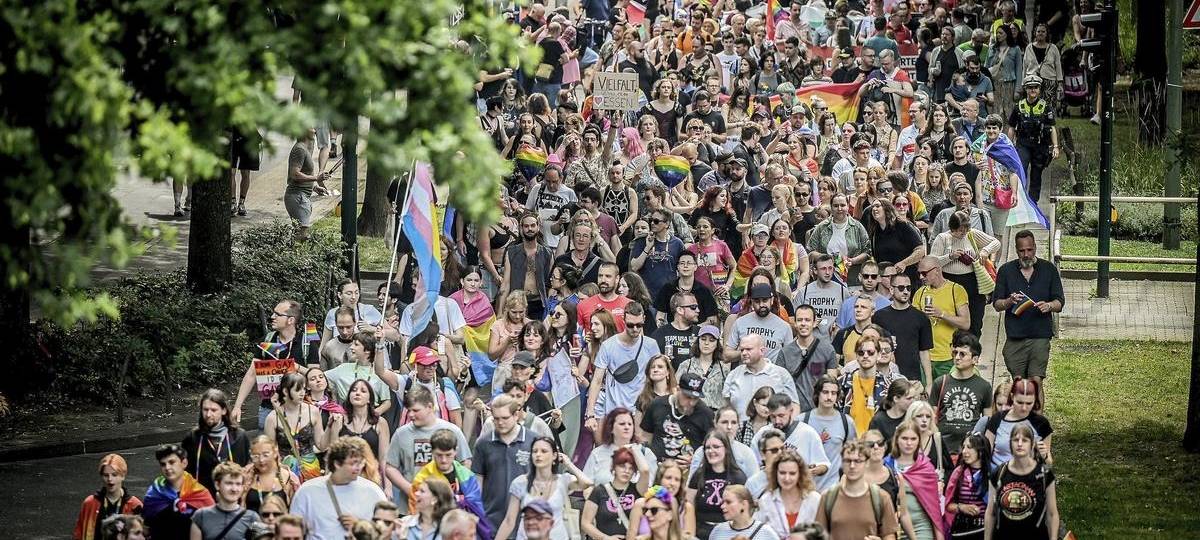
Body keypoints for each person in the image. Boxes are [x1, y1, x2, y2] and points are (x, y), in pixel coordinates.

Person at [993, 231, 1064, 390]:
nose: (1026, 254)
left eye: (1030, 250)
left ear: (1035, 248)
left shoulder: (1048, 269)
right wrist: (1009, 302)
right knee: (1019, 384)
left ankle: (1037, 415)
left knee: (1036, 382)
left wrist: (1049, 306)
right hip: (1015, 337)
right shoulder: (1006, 271)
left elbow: (1059, 302)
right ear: (1016, 250)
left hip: (1040, 335)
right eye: (1022, 251)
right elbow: (997, 304)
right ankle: (1021, 413)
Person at [234, 299, 321, 428]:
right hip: (268, 409)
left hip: (298, 410)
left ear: (291, 320)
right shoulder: (267, 341)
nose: (272, 317)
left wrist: (296, 367)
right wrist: (237, 406)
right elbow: (251, 375)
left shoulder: (307, 344)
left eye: (277, 314)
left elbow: (315, 377)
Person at [386, 385, 473, 510]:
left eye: (416, 410)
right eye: (409, 410)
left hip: (446, 505)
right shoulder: (401, 434)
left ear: (430, 407)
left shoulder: (452, 430)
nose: (410, 415)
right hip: (410, 506)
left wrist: (458, 490)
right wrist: (408, 488)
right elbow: (390, 467)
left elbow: (465, 462)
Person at [492, 436, 593, 540]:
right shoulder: (521, 482)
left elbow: (587, 483)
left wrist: (568, 463)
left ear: (554, 455)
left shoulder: (562, 480)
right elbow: (509, 520)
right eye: (535, 451)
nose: (538, 455)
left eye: (544, 451)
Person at [291, 436, 388, 539]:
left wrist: (360, 526)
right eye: (353, 463)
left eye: (360, 463)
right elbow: (293, 530)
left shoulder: (372, 491)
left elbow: (387, 529)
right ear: (337, 463)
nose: (359, 468)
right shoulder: (307, 491)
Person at [472, 393, 539, 535]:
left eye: (505, 418)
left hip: (526, 522)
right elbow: (478, 483)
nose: (500, 423)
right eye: (496, 419)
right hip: (492, 521)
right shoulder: (483, 443)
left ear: (516, 415)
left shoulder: (534, 440)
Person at [586, 302, 660, 427]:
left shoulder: (651, 345)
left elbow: (659, 380)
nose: (635, 329)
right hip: (614, 411)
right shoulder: (608, 346)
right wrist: (590, 414)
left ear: (644, 320)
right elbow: (597, 381)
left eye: (639, 325)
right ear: (623, 320)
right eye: (631, 325)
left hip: (641, 410)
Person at [929, 211, 1000, 337]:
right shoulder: (943, 238)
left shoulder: (971, 234)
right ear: (952, 227)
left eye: (965, 229)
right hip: (949, 280)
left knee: (975, 321)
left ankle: (972, 350)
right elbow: (933, 262)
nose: (963, 233)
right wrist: (950, 256)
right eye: (960, 230)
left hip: (972, 282)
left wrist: (985, 251)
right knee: (953, 319)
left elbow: (995, 243)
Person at [984, 425, 1059, 540]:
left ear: (1032, 444)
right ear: (1010, 444)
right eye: (1015, 440)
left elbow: (1052, 514)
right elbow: (991, 513)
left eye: (1024, 440)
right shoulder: (998, 474)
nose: (1019, 444)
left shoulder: (1044, 475)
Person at [815, 440, 899, 540]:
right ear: (841, 463)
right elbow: (818, 536)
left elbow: (889, 535)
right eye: (847, 461)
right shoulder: (828, 497)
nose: (852, 466)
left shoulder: (881, 498)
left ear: (867, 463)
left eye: (858, 461)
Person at [928, 332, 992, 454]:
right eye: (955, 353)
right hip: (943, 449)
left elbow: (987, 422)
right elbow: (931, 418)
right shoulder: (940, 382)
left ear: (975, 359)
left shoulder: (984, 386)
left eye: (962, 354)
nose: (957, 357)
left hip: (971, 450)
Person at [181, 388, 251, 496]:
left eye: (213, 410)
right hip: (202, 500)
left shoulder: (239, 437)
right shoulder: (193, 438)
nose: (208, 414)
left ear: (223, 410)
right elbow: (185, 473)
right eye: (205, 409)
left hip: (233, 499)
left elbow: (247, 469)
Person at [913, 258, 970, 383]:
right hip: (924, 356)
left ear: (937, 270)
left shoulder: (956, 290)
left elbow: (966, 323)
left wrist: (942, 314)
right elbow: (913, 325)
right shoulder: (919, 293)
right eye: (919, 273)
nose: (921, 277)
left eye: (924, 273)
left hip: (948, 357)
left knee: (945, 397)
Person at [263, 373, 328, 483]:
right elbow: (270, 452)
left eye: (303, 389)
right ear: (285, 391)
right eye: (298, 390)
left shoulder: (312, 411)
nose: (302, 393)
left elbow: (321, 445)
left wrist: (332, 427)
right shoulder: (272, 418)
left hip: (311, 469)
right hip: (285, 472)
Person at [641, 373, 715, 466]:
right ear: (677, 389)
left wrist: (698, 459)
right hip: (657, 466)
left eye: (695, 398)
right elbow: (646, 437)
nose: (691, 403)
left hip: (687, 469)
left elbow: (712, 445)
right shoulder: (657, 404)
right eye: (687, 397)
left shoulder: (705, 413)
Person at [886, 421, 943, 540]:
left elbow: (934, 507)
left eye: (913, 439)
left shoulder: (926, 468)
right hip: (890, 528)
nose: (909, 443)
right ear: (897, 439)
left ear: (918, 441)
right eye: (904, 438)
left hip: (921, 528)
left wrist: (939, 536)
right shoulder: (886, 465)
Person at [144, 444, 215, 538]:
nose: (167, 468)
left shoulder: (200, 493)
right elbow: (146, 527)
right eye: (163, 464)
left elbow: (213, 527)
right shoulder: (154, 494)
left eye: (172, 462)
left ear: (184, 463)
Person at [723, 333, 800, 419]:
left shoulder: (781, 374)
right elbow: (726, 407)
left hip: (773, 430)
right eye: (742, 350)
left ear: (762, 351)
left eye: (748, 349)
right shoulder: (733, 375)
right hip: (740, 430)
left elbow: (794, 406)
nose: (744, 353)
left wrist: (790, 429)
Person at [581, 447, 651, 540]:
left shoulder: (637, 489)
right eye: (622, 466)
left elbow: (645, 471)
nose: (626, 471)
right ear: (614, 467)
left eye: (631, 468)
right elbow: (585, 523)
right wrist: (605, 538)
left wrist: (634, 448)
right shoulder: (599, 491)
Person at [687, 431, 747, 540]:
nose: (711, 451)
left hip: (729, 534)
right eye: (707, 448)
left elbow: (743, 512)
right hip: (700, 533)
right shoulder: (698, 475)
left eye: (716, 447)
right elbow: (688, 507)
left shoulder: (738, 476)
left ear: (726, 449)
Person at [777, 305, 838, 412]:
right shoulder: (784, 353)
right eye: (800, 320)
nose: (803, 323)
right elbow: (778, 385)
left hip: (819, 412)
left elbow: (831, 385)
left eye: (807, 320)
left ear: (815, 323)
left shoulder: (828, 350)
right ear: (794, 323)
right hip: (793, 412)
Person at [802, 376, 857, 492]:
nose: (829, 397)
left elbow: (852, 455)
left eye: (833, 393)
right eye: (825, 392)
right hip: (805, 487)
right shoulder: (802, 420)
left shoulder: (846, 422)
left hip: (834, 488)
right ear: (817, 394)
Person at [1007, 76, 1057, 204]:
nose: (1033, 90)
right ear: (1026, 89)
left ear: (1039, 89)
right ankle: (1020, 200)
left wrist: (1055, 146)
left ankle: (1033, 202)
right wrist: (1009, 146)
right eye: (1030, 87)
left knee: (1036, 174)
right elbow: (1012, 127)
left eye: (1035, 87)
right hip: (1023, 144)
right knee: (1020, 171)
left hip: (1040, 146)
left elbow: (1052, 127)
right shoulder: (1019, 107)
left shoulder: (1046, 107)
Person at [984, 379, 1054, 468]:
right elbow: (985, 454)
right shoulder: (997, 419)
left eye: (1029, 403)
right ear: (1012, 397)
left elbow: (1049, 464)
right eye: (1020, 402)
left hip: (1027, 477)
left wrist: (1044, 456)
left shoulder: (1041, 423)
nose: (1024, 408)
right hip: (998, 475)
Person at [753, 449, 821, 538]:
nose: (787, 478)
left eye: (792, 473)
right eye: (782, 473)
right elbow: (754, 532)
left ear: (800, 474)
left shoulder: (814, 499)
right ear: (775, 473)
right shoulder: (766, 500)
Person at [806, 194, 871, 287]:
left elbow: (867, 252)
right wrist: (828, 258)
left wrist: (852, 261)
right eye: (836, 206)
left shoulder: (857, 226)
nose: (839, 208)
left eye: (843, 205)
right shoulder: (822, 227)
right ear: (831, 208)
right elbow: (810, 251)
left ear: (848, 206)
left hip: (853, 279)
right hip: (826, 279)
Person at [74, 454, 143, 540]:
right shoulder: (90, 503)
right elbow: (79, 534)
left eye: (114, 475)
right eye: (106, 475)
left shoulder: (135, 505)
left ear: (123, 476)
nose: (110, 479)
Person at [503, 211, 556, 321]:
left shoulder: (547, 253)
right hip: (517, 303)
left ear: (538, 227)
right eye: (526, 226)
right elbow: (506, 283)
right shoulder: (512, 251)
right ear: (521, 229)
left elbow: (553, 283)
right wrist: (500, 312)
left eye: (533, 225)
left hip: (539, 303)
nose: (530, 229)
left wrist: (550, 307)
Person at [325, 331, 393, 415]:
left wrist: (374, 414)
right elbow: (319, 376)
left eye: (356, 345)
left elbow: (387, 402)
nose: (351, 347)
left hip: (369, 415)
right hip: (346, 415)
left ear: (367, 350)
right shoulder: (343, 368)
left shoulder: (380, 373)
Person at [190, 461, 260, 540]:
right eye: (229, 483)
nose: (234, 489)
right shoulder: (200, 516)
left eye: (238, 484)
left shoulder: (252, 518)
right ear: (217, 485)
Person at [725, 284, 795, 362]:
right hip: (746, 371)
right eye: (757, 301)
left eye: (765, 300)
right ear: (751, 302)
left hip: (772, 372)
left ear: (771, 300)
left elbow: (790, 359)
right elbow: (727, 355)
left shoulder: (784, 327)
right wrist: (747, 353)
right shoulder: (740, 322)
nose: (761, 305)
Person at [284, 127, 331, 240]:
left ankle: (293, 255)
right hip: (297, 197)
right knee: (301, 235)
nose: (314, 129)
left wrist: (314, 187)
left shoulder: (304, 148)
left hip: (302, 196)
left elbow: (302, 173)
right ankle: (295, 256)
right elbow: (294, 174)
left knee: (300, 234)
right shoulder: (299, 149)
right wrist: (316, 178)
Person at [942, 433, 992, 540]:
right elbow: (948, 505)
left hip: (985, 530)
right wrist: (962, 507)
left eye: (969, 447)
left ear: (981, 451)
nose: (964, 451)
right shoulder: (958, 473)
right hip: (962, 530)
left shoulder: (992, 474)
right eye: (963, 447)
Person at [836, 337, 889, 436]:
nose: (865, 356)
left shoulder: (887, 386)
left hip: (876, 444)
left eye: (871, 352)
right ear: (856, 355)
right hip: (849, 444)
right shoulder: (841, 383)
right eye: (861, 352)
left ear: (878, 355)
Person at [241, 435, 301, 514]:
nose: (261, 460)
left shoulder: (289, 478)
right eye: (256, 456)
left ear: (275, 453)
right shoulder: (246, 475)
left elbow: (296, 511)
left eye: (265, 455)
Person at [677, 325, 730, 410]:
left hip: (715, 415)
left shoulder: (724, 370)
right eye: (703, 339)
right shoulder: (686, 365)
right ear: (698, 341)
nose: (706, 343)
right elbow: (676, 390)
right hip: (691, 413)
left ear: (717, 344)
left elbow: (728, 397)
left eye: (712, 340)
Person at [323, 279, 384, 344]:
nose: (354, 297)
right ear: (340, 295)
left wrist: (372, 329)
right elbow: (324, 344)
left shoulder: (369, 310)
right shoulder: (332, 314)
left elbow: (394, 335)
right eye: (349, 293)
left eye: (356, 293)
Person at [652, 291, 702, 368]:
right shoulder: (659, 334)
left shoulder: (701, 333)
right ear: (679, 310)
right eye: (693, 307)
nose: (698, 310)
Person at [577, 262, 632, 331]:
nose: (603, 280)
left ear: (617, 279)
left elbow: (637, 336)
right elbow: (577, 337)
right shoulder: (583, 305)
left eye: (608, 276)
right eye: (600, 276)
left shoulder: (629, 305)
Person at [869, 379, 916, 445]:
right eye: (909, 398)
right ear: (896, 399)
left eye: (914, 398)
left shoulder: (913, 417)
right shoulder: (879, 421)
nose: (913, 402)